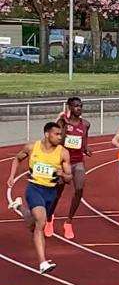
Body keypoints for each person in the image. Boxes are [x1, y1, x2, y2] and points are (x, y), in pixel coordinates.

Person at [7, 122, 72, 274]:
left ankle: (18, 206)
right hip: (34, 189)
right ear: (47, 134)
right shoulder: (32, 147)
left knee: (33, 226)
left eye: (61, 134)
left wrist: (62, 173)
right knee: (41, 222)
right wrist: (12, 176)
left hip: (51, 192)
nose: (60, 137)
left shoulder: (63, 153)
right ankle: (42, 262)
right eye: (56, 134)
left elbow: (69, 179)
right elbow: (17, 158)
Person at [46, 97, 91, 240]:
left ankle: (69, 222)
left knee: (79, 189)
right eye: (76, 106)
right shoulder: (62, 122)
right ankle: (49, 219)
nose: (79, 109)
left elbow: (83, 141)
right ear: (70, 108)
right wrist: (64, 126)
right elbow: (58, 141)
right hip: (63, 162)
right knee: (57, 193)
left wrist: (86, 149)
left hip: (78, 162)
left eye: (81, 106)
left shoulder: (86, 124)